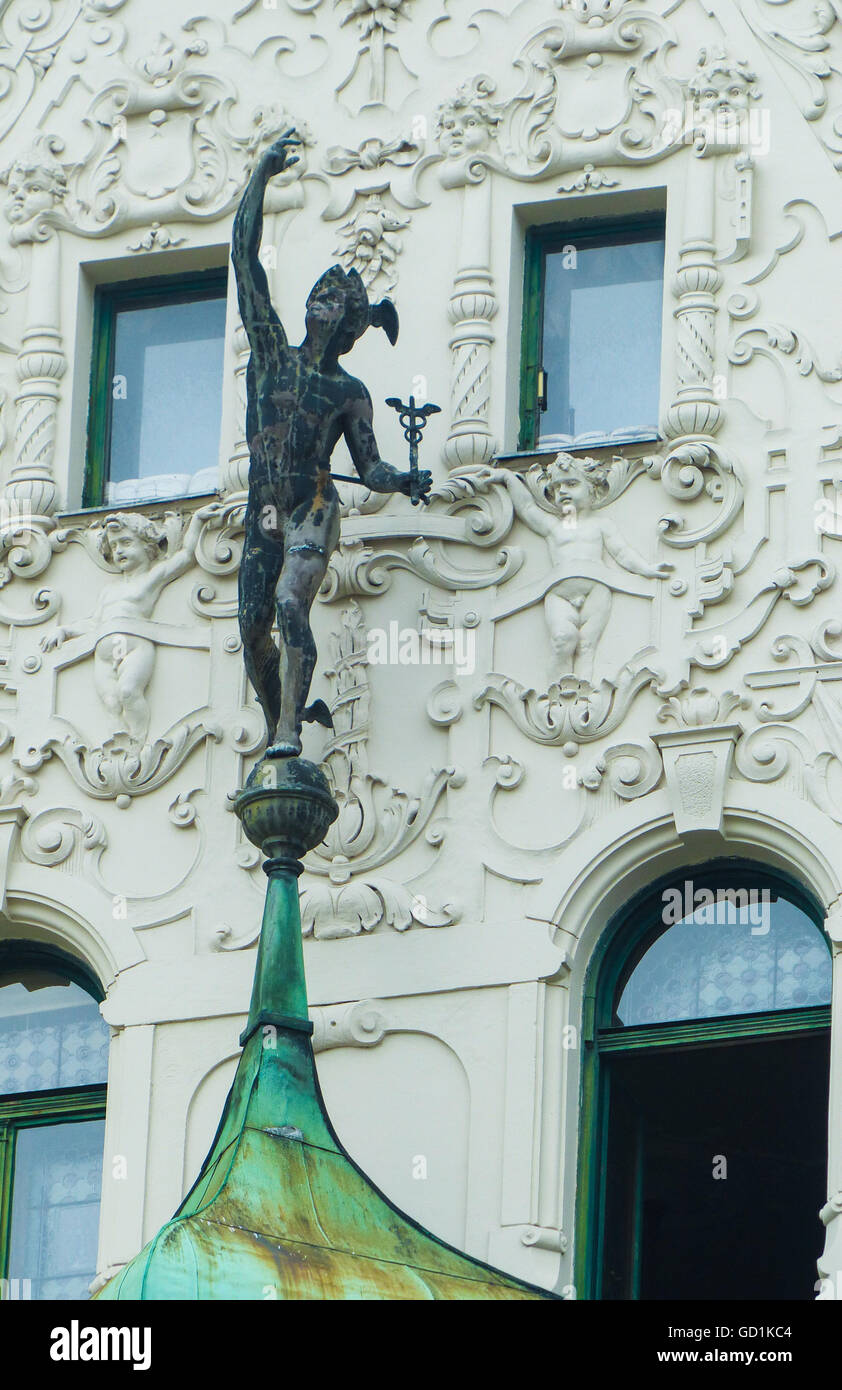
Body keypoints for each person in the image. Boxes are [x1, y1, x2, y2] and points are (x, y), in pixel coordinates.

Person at [233, 129, 431, 757]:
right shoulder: (270, 355)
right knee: (251, 627)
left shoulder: (349, 391)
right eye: (318, 293)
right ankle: (279, 718)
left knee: (292, 603)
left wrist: (399, 480)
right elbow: (244, 262)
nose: (320, 303)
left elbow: (367, 467)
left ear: (348, 323)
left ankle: (290, 729)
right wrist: (261, 177)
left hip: (312, 505)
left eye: (333, 300)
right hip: (263, 510)